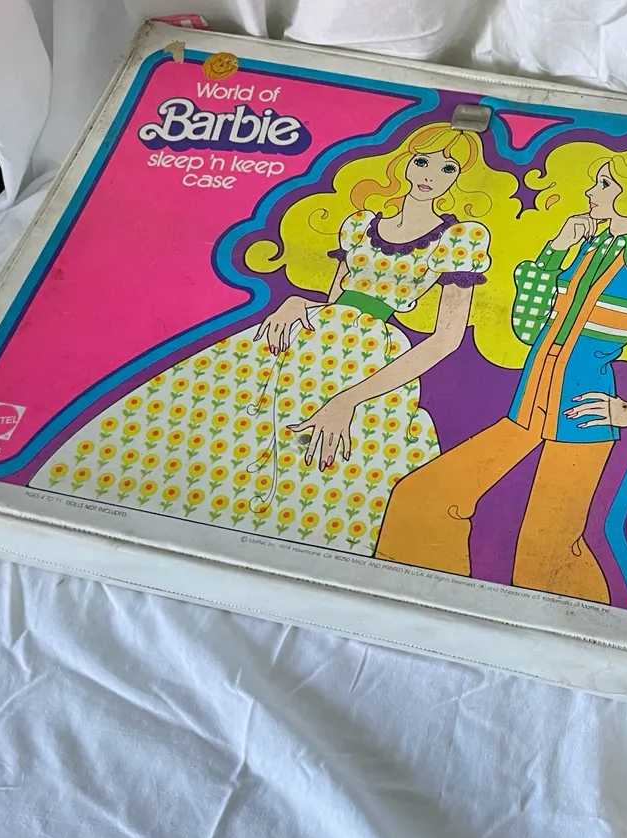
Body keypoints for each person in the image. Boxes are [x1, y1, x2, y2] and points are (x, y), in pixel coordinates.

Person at [34, 122, 512, 551]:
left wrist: (348, 400)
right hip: (306, 339)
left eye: (448, 168)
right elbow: (335, 298)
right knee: (221, 423)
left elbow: (446, 339)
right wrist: (296, 302)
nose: (431, 175)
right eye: (423, 160)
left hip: (371, 360)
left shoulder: (462, 238)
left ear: (458, 180)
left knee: (323, 469)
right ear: (404, 161)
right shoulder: (360, 224)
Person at [375, 147, 627, 603]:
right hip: (526, 411)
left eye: (603, 184)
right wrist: (554, 251)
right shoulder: (586, 248)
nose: (590, 192)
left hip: (582, 422)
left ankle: (595, 633)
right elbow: (529, 328)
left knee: (546, 555)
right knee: (422, 498)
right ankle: (431, 605)